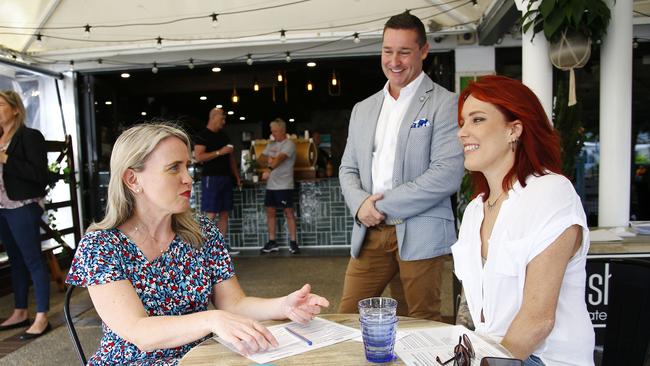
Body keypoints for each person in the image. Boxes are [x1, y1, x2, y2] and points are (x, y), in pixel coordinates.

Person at [65, 123, 329, 365]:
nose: (189, 178)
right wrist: (211, 319)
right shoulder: (101, 246)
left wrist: (284, 305)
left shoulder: (201, 232)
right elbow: (138, 331)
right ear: (133, 179)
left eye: (188, 167)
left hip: (201, 359)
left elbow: (233, 304)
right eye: (174, 168)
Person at [452, 75, 595, 365]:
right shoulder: (474, 211)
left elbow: (537, 321)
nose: (462, 132)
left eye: (477, 120)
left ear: (513, 130)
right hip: (491, 353)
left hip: (540, 358)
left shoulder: (551, 192)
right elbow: (470, 315)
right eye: (463, 122)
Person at [338, 11, 464, 321]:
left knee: (421, 322)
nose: (394, 61)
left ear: (423, 51)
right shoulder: (363, 109)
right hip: (370, 230)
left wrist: (379, 204)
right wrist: (360, 205)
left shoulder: (445, 103)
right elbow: (348, 168)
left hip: (420, 229)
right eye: (387, 51)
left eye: (404, 52)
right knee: (347, 318)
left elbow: (446, 174)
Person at [0, 90, 51, 340]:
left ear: (16, 109)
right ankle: (20, 311)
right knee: (15, 260)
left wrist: (5, 158)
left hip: (22, 205)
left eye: (0, 104)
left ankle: (42, 316)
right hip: (1, 208)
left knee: (32, 260)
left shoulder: (30, 136)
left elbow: (39, 174)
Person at [194, 107, 241, 255]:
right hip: (211, 178)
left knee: (225, 213)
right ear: (214, 117)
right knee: (211, 213)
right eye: (222, 118)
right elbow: (199, 157)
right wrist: (220, 152)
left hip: (226, 178)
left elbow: (230, 158)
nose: (224, 121)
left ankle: (221, 247)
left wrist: (237, 177)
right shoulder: (203, 136)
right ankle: (205, 247)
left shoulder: (224, 136)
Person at [259, 118, 300, 254]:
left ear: (283, 130)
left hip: (284, 185)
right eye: (272, 131)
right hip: (271, 186)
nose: (273, 134)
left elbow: (280, 158)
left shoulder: (289, 144)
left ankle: (294, 242)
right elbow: (260, 158)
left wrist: (270, 167)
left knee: (288, 212)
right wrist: (269, 159)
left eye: (275, 131)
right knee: (270, 212)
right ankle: (272, 242)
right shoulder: (271, 144)